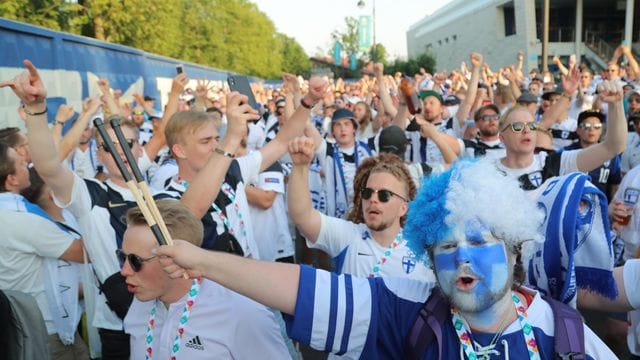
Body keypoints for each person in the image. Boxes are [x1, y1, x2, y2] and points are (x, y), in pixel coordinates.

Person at [155, 161, 620, 359]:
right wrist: (201, 260)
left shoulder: (563, 333)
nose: (462, 259)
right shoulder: (408, 306)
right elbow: (300, 287)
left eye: (479, 242)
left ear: (514, 248)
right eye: (445, 246)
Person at [121, 200, 289, 359]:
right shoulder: (140, 302)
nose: (124, 271)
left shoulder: (243, 315)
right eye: (122, 257)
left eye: (136, 261)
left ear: (175, 259)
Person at [289, 137, 434, 281]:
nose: (373, 199)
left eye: (384, 195)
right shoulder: (348, 236)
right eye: (367, 193)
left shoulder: (422, 253)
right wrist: (300, 167)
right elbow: (303, 217)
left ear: (403, 208)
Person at [0, 143, 87, 359]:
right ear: (12, 179)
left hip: (15, 326)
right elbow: (86, 252)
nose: (27, 166)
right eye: (21, 163)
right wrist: (84, 206)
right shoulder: (22, 220)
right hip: (47, 331)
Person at [493, 78, 626, 191]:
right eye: (517, 126)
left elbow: (613, 147)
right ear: (502, 138)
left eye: (532, 125)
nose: (526, 130)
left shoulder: (555, 163)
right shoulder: (488, 172)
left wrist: (616, 105)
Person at [562, 110, 621, 200]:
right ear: (578, 130)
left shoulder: (610, 155)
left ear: (601, 130)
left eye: (597, 126)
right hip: (571, 205)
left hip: (599, 207)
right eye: (587, 126)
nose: (591, 129)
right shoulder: (566, 153)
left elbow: (615, 185)